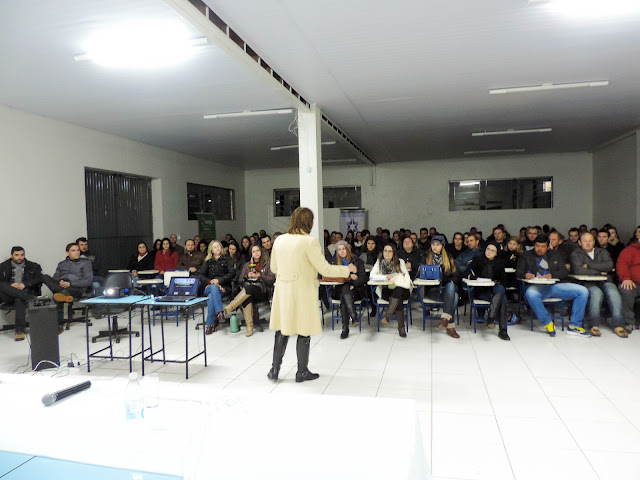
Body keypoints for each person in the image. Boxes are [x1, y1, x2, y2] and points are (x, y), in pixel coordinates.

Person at [267, 207, 356, 382]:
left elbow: (273, 268)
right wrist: (347, 269)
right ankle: (302, 372)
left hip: (283, 291)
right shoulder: (309, 242)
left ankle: (274, 369)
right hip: (303, 292)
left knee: (282, 330)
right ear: (309, 222)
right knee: (304, 330)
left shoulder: (280, 240)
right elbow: (325, 269)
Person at [516, 234, 589, 337]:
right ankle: (547, 322)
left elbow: (564, 272)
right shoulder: (526, 256)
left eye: (542, 246)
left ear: (547, 246)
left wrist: (552, 275)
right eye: (537, 246)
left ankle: (575, 325)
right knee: (530, 294)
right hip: (537, 287)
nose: (539, 249)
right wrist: (525, 275)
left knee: (583, 291)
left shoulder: (555, 255)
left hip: (555, 286)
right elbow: (518, 272)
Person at [570, 232, 627, 337]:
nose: (588, 243)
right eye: (585, 241)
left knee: (613, 292)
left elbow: (609, 265)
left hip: (605, 280)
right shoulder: (575, 254)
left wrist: (588, 265)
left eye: (590, 241)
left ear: (594, 242)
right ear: (579, 242)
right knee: (596, 293)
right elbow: (578, 270)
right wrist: (599, 271)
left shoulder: (602, 251)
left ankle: (619, 325)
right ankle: (594, 325)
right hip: (587, 282)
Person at [223, 245, 275, 336]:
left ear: (261, 252)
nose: (256, 253)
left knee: (249, 289)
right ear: (251, 254)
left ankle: (231, 306)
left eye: (257, 250)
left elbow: (271, 279)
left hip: (263, 291)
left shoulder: (267, 263)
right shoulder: (247, 265)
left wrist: (260, 275)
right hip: (249, 291)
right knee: (247, 296)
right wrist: (247, 276)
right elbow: (240, 279)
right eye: (254, 251)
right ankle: (249, 326)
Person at [40, 243, 93, 327]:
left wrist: (70, 284)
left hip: (76, 288)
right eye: (73, 251)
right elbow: (55, 277)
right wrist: (60, 281)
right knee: (45, 277)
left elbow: (88, 280)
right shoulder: (61, 264)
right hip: (61, 285)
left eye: (78, 250)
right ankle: (62, 292)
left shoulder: (85, 263)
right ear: (67, 253)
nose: (77, 252)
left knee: (56, 295)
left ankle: (59, 323)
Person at [466, 242, 510, 340]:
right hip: (481, 291)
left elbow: (504, 280)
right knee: (503, 299)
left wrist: (496, 282)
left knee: (501, 289)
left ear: (496, 253)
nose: (489, 252)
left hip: (494, 290)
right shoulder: (478, 260)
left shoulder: (499, 263)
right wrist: (474, 277)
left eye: (492, 251)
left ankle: (491, 317)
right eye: (488, 249)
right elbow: (466, 273)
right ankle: (502, 329)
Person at [0, 247, 42, 341]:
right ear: (11, 255)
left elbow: (39, 278)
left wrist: (25, 284)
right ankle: (32, 299)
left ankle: (19, 330)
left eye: (22, 255)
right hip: (8, 294)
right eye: (17, 255)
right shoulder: (2, 266)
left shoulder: (33, 266)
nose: (19, 257)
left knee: (19, 298)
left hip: (24, 291)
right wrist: (11, 286)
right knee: (2, 285)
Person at [370, 244, 412, 337]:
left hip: (402, 289)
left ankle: (387, 316)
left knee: (399, 291)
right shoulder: (379, 262)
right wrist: (386, 277)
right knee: (398, 299)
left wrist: (396, 276)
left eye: (390, 251)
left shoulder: (400, 262)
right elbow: (372, 276)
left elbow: (406, 275)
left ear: (393, 253)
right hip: (386, 290)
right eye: (385, 251)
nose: (387, 253)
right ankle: (401, 328)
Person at [422, 235, 460, 338]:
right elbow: (422, 275)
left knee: (451, 286)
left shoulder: (448, 256)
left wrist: (448, 279)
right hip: (433, 290)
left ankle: (445, 319)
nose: (435, 247)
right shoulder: (425, 256)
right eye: (433, 244)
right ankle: (450, 325)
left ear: (442, 246)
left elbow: (456, 275)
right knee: (455, 297)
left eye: (437, 245)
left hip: (446, 289)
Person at [329, 240, 367, 339]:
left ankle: (345, 329)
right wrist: (349, 276)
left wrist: (353, 284)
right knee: (345, 290)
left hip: (355, 290)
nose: (341, 251)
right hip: (338, 290)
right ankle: (353, 316)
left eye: (343, 249)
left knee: (344, 296)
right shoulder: (333, 262)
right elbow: (332, 277)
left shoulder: (357, 261)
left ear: (348, 249)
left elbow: (363, 278)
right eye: (339, 249)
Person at [199, 240, 236, 334]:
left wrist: (219, 281)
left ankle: (210, 324)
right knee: (213, 288)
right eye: (215, 247)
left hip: (224, 287)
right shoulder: (208, 261)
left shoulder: (227, 259)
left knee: (211, 296)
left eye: (219, 246)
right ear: (211, 250)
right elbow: (201, 275)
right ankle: (220, 312)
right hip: (209, 286)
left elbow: (232, 273)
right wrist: (210, 282)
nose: (217, 248)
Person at [617, 234, 640, 331]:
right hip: (634, 283)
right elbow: (622, 265)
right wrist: (626, 278)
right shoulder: (630, 250)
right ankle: (628, 322)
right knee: (626, 290)